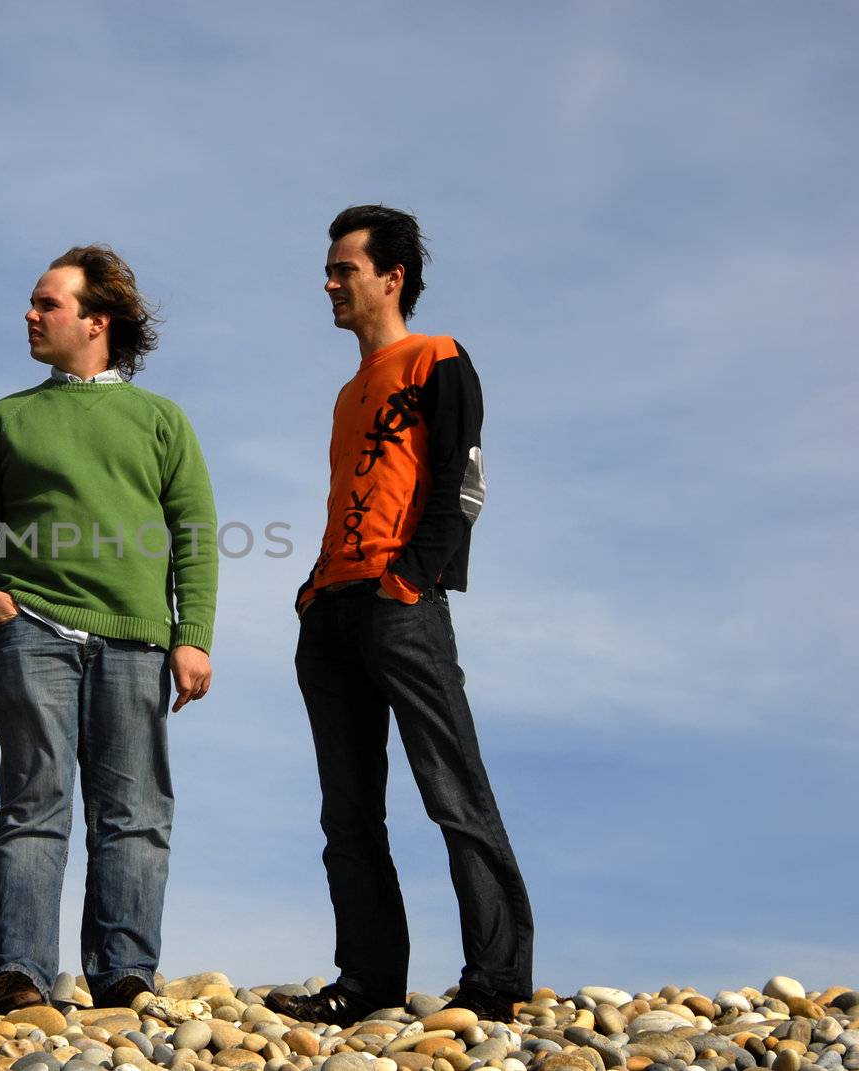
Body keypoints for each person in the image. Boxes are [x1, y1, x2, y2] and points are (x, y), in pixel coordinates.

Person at [267, 205, 533, 1026]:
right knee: (347, 809)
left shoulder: (438, 358)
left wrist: (414, 580)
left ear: (393, 277)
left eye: (343, 268)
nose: (329, 282)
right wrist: (314, 588)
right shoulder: (351, 389)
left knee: (454, 791)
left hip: (401, 607)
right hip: (333, 611)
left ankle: (495, 979)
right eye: (331, 267)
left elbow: (463, 482)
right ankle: (368, 980)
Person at [0, 246, 217, 1012]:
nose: (30, 314)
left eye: (47, 303)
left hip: (136, 642)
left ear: (97, 321)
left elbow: (193, 530)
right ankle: (19, 968)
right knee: (34, 801)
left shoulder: (161, 420)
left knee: (135, 813)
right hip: (34, 633)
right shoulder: (9, 418)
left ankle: (125, 970)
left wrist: (192, 633)